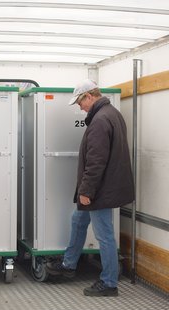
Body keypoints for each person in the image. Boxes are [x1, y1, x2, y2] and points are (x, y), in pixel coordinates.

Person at [46, 79, 134, 297]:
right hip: (105, 187)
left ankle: (109, 283)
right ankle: (69, 264)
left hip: (100, 191)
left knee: (104, 235)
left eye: (79, 102)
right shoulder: (111, 114)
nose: (79, 107)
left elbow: (96, 162)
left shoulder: (100, 120)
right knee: (78, 221)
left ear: (89, 96)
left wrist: (86, 192)